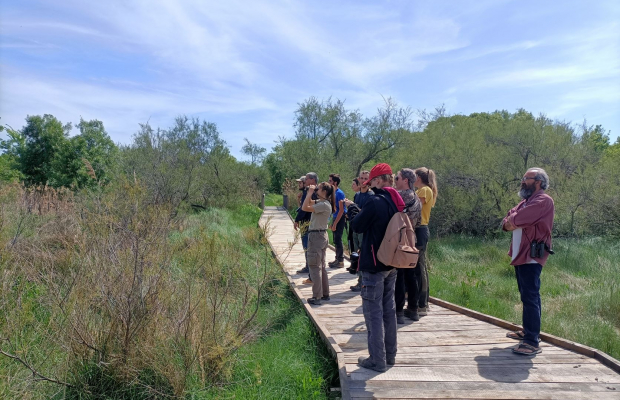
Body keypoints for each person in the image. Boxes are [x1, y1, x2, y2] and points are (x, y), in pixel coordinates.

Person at [344, 163, 404, 373]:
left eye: (371, 182)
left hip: (373, 265)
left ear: (379, 180)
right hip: (391, 263)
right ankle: (390, 356)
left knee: (373, 313)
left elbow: (358, 226)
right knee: (389, 311)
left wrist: (352, 211)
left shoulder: (374, 201)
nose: (369, 186)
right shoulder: (397, 201)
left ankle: (377, 360)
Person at [502, 168, 554, 356]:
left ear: (538, 181)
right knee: (527, 294)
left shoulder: (543, 200)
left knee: (530, 296)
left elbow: (518, 218)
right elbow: (506, 221)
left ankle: (532, 341)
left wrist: (513, 220)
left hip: (532, 255)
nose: (522, 181)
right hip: (521, 254)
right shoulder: (526, 202)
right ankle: (529, 331)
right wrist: (512, 220)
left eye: (526, 178)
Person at [394, 168, 422, 323]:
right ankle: (413, 308)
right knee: (412, 276)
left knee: (399, 276)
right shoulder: (416, 197)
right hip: (412, 240)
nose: (395, 181)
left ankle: (398, 311)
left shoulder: (402, 196)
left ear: (405, 180)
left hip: (401, 240)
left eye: (397, 178)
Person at [302, 182, 336, 305]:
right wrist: (308, 193)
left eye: (319, 189)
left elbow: (304, 207)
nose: (317, 190)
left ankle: (317, 296)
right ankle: (325, 294)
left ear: (325, 192)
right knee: (321, 266)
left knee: (314, 267)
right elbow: (309, 202)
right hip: (321, 235)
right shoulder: (323, 203)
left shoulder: (324, 205)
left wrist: (310, 193)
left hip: (316, 236)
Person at [413, 167, 437, 316]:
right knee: (417, 266)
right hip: (419, 229)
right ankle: (421, 302)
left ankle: (422, 303)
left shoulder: (424, 190)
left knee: (420, 266)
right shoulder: (423, 190)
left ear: (419, 178)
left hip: (420, 229)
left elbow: (415, 207)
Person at [350, 172, 374, 292]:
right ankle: (359, 279)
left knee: (363, 254)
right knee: (356, 254)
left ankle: (362, 282)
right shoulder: (358, 194)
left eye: (366, 178)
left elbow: (367, 214)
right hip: (356, 228)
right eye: (362, 178)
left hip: (365, 230)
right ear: (358, 179)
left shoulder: (371, 195)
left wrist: (353, 206)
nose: (363, 181)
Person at [295, 172, 318, 280]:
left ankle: (309, 269)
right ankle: (309, 267)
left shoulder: (310, 192)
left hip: (308, 222)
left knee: (307, 246)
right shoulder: (308, 192)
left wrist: (296, 220)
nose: (301, 183)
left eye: (303, 181)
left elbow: (304, 209)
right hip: (309, 222)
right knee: (307, 246)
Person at [328, 174, 347, 269]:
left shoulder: (339, 193)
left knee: (338, 239)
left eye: (330, 181)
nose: (329, 182)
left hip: (340, 218)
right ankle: (337, 259)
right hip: (335, 217)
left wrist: (335, 223)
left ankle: (340, 260)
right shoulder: (333, 192)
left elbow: (341, 210)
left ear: (335, 183)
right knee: (335, 239)